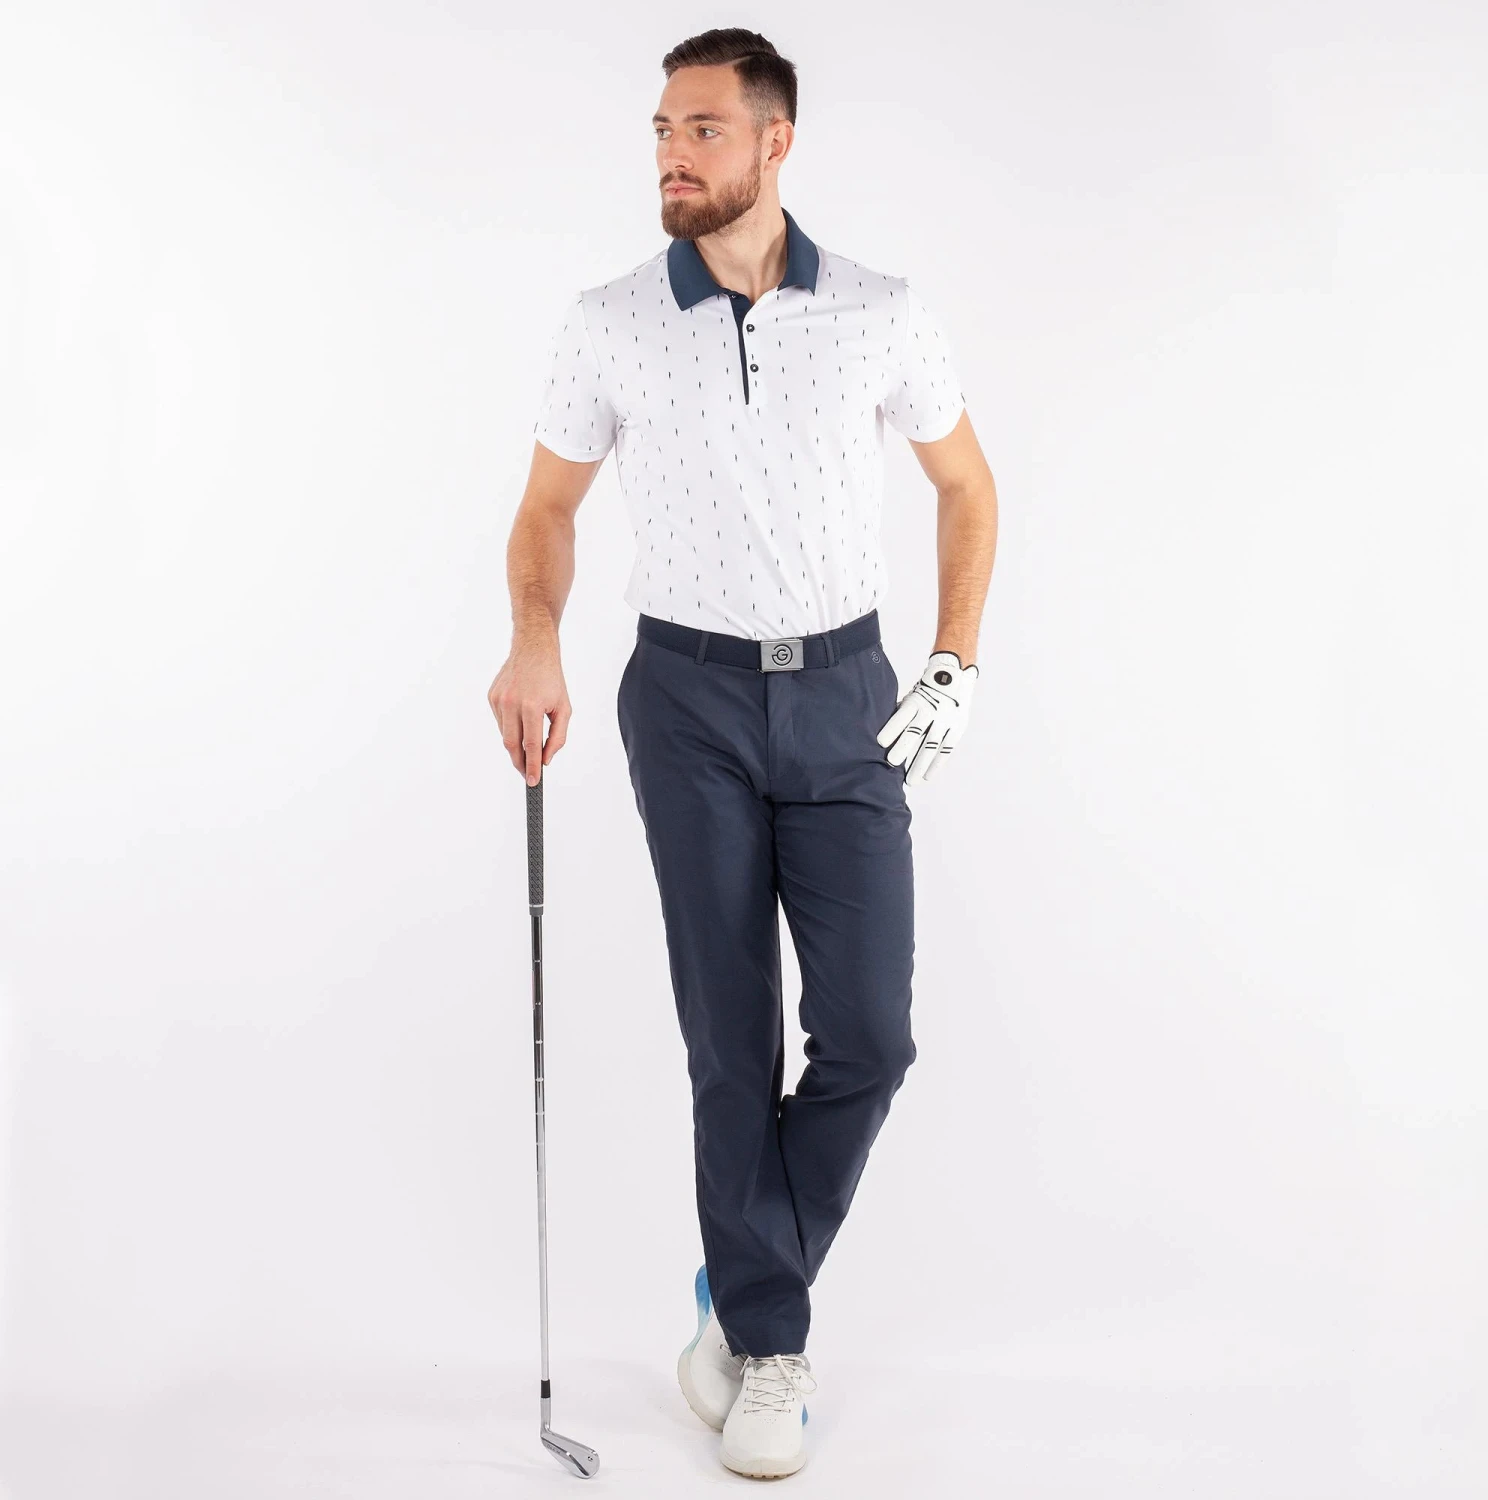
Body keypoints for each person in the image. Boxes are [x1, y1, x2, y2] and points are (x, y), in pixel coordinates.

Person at [488, 26, 997, 1481]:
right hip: (687, 701)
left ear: (777, 144)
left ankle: (737, 1284)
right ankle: (772, 1348)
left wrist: (955, 658)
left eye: (702, 129)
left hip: (847, 697)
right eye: (663, 129)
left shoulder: (883, 312)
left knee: (872, 1040)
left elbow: (967, 487)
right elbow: (546, 512)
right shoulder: (609, 321)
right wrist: (535, 639)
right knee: (731, 1042)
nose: (672, 153)